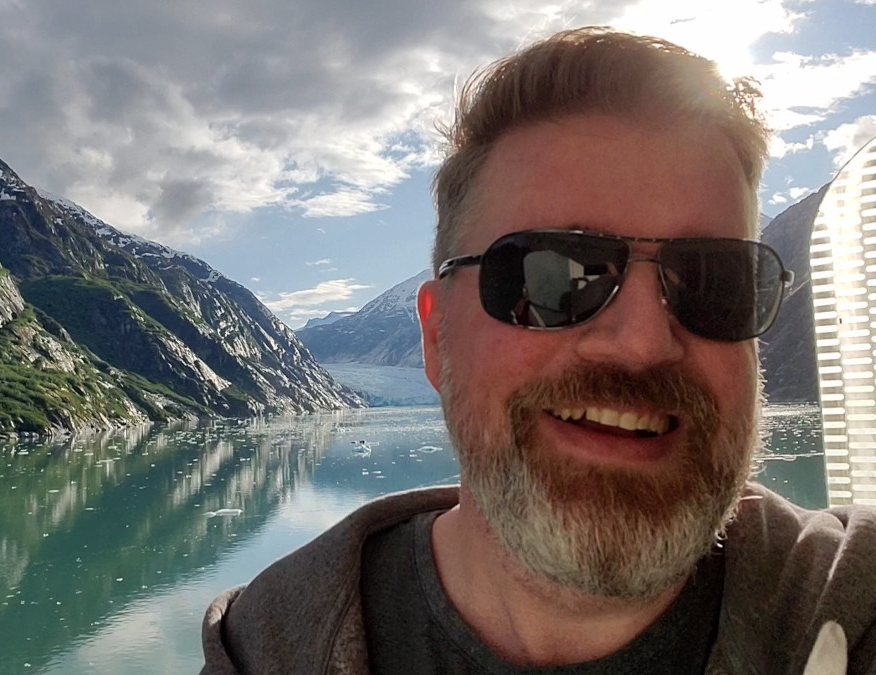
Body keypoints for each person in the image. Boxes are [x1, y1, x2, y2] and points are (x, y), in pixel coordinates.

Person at [200, 27, 876, 674]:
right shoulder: (271, 643)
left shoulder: (853, 598)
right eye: (550, 276)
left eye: (715, 281)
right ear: (436, 337)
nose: (642, 342)